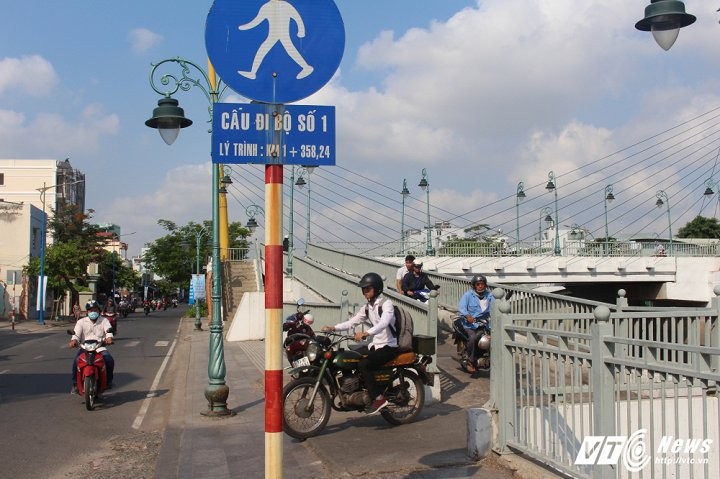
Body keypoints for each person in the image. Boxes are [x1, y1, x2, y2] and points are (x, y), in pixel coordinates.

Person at [323, 272, 398, 415]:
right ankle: (357, 393)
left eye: (367, 289)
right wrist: (334, 327)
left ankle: (378, 398)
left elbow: (384, 323)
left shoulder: (386, 304)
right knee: (352, 357)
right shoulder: (367, 307)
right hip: (375, 346)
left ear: (376, 289)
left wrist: (366, 333)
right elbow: (353, 321)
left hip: (389, 346)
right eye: (363, 289)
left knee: (364, 364)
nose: (365, 292)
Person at [69, 300, 115, 393]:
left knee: (109, 360)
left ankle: (108, 382)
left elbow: (108, 331)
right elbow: (76, 334)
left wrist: (109, 338)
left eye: (95, 310)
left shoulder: (104, 320)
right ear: (87, 312)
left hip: (99, 347)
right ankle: (75, 385)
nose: (93, 312)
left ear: (98, 311)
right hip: (84, 348)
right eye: (90, 310)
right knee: (76, 361)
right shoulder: (81, 322)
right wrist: (73, 340)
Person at [458, 275, 495, 374]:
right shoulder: (468, 295)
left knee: (495, 337)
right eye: (478, 284)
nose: (480, 286)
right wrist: (467, 316)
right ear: (474, 286)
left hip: (485, 323)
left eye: (482, 284)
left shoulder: (489, 295)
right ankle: (470, 360)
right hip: (470, 324)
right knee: (473, 337)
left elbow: (495, 305)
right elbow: (462, 308)